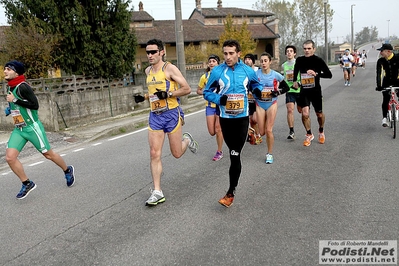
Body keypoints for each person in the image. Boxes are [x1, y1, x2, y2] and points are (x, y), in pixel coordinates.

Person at [134, 39, 199, 206]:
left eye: (153, 52)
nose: (149, 55)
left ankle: (187, 140)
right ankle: (157, 192)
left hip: (171, 113)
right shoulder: (148, 71)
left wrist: (169, 95)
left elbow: (187, 89)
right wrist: (145, 97)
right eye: (147, 52)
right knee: (154, 153)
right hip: (155, 115)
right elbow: (155, 92)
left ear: (161, 52)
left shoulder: (169, 68)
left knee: (177, 153)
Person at [203, 39, 263, 208]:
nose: (228, 57)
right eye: (225, 53)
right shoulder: (217, 72)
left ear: (239, 53)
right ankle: (231, 190)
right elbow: (206, 92)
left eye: (231, 53)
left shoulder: (248, 71)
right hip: (226, 119)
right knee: (233, 152)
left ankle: (230, 192)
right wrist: (218, 99)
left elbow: (255, 85)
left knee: (235, 154)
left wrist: (258, 91)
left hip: (242, 118)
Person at [4, 60, 75, 199]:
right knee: (10, 158)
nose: (5, 71)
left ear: (16, 72)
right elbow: (16, 104)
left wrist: (14, 101)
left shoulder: (23, 87)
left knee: (48, 155)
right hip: (19, 129)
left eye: (8, 69)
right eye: (5, 68)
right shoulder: (10, 87)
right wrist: (10, 109)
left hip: (32, 127)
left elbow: (34, 105)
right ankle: (27, 183)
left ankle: (67, 170)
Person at [293, 40, 333, 146]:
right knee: (305, 114)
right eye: (305, 48)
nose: (307, 50)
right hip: (304, 91)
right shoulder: (300, 60)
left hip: (315, 91)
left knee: (319, 114)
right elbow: (296, 71)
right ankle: (309, 134)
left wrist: (316, 74)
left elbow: (329, 75)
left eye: (309, 48)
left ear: (314, 49)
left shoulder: (318, 60)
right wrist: (295, 81)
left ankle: (321, 131)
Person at [254, 52, 289, 164]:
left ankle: (269, 154)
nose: (263, 63)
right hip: (259, 104)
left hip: (271, 104)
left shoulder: (275, 75)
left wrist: (277, 92)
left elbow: (286, 87)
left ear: (270, 62)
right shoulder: (256, 74)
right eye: (262, 61)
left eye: (265, 61)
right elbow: (250, 87)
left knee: (269, 130)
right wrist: (256, 92)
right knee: (262, 132)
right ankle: (260, 134)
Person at [196, 54, 224, 161]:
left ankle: (219, 151)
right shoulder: (204, 77)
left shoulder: (222, 75)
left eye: (214, 61)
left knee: (218, 129)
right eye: (210, 61)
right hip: (209, 106)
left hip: (219, 105)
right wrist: (206, 92)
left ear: (218, 63)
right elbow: (198, 90)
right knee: (212, 131)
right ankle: (222, 133)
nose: (211, 63)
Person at [375, 43, 399, 127]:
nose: (380, 53)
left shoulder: (397, 58)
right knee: (385, 99)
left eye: (382, 51)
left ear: (388, 51)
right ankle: (384, 118)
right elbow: (379, 74)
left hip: (398, 80)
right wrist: (379, 85)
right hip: (386, 81)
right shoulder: (381, 61)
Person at [281, 45, 301, 140]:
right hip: (289, 91)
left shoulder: (299, 63)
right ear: (285, 54)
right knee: (290, 110)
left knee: (302, 111)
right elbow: (283, 78)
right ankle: (291, 131)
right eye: (287, 51)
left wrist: (299, 83)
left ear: (294, 53)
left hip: (300, 90)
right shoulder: (284, 65)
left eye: (291, 51)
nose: (289, 52)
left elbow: (303, 75)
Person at [243, 53, 262, 145]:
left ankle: (258, 135)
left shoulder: (258, 71)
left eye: (249, 59)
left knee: (254, 119)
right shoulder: (243, 72)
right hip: (247, 99)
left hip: (257, 100)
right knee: (251, 120)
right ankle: (256, 135)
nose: (247, 61)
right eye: (246, 59)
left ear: (253, 61)